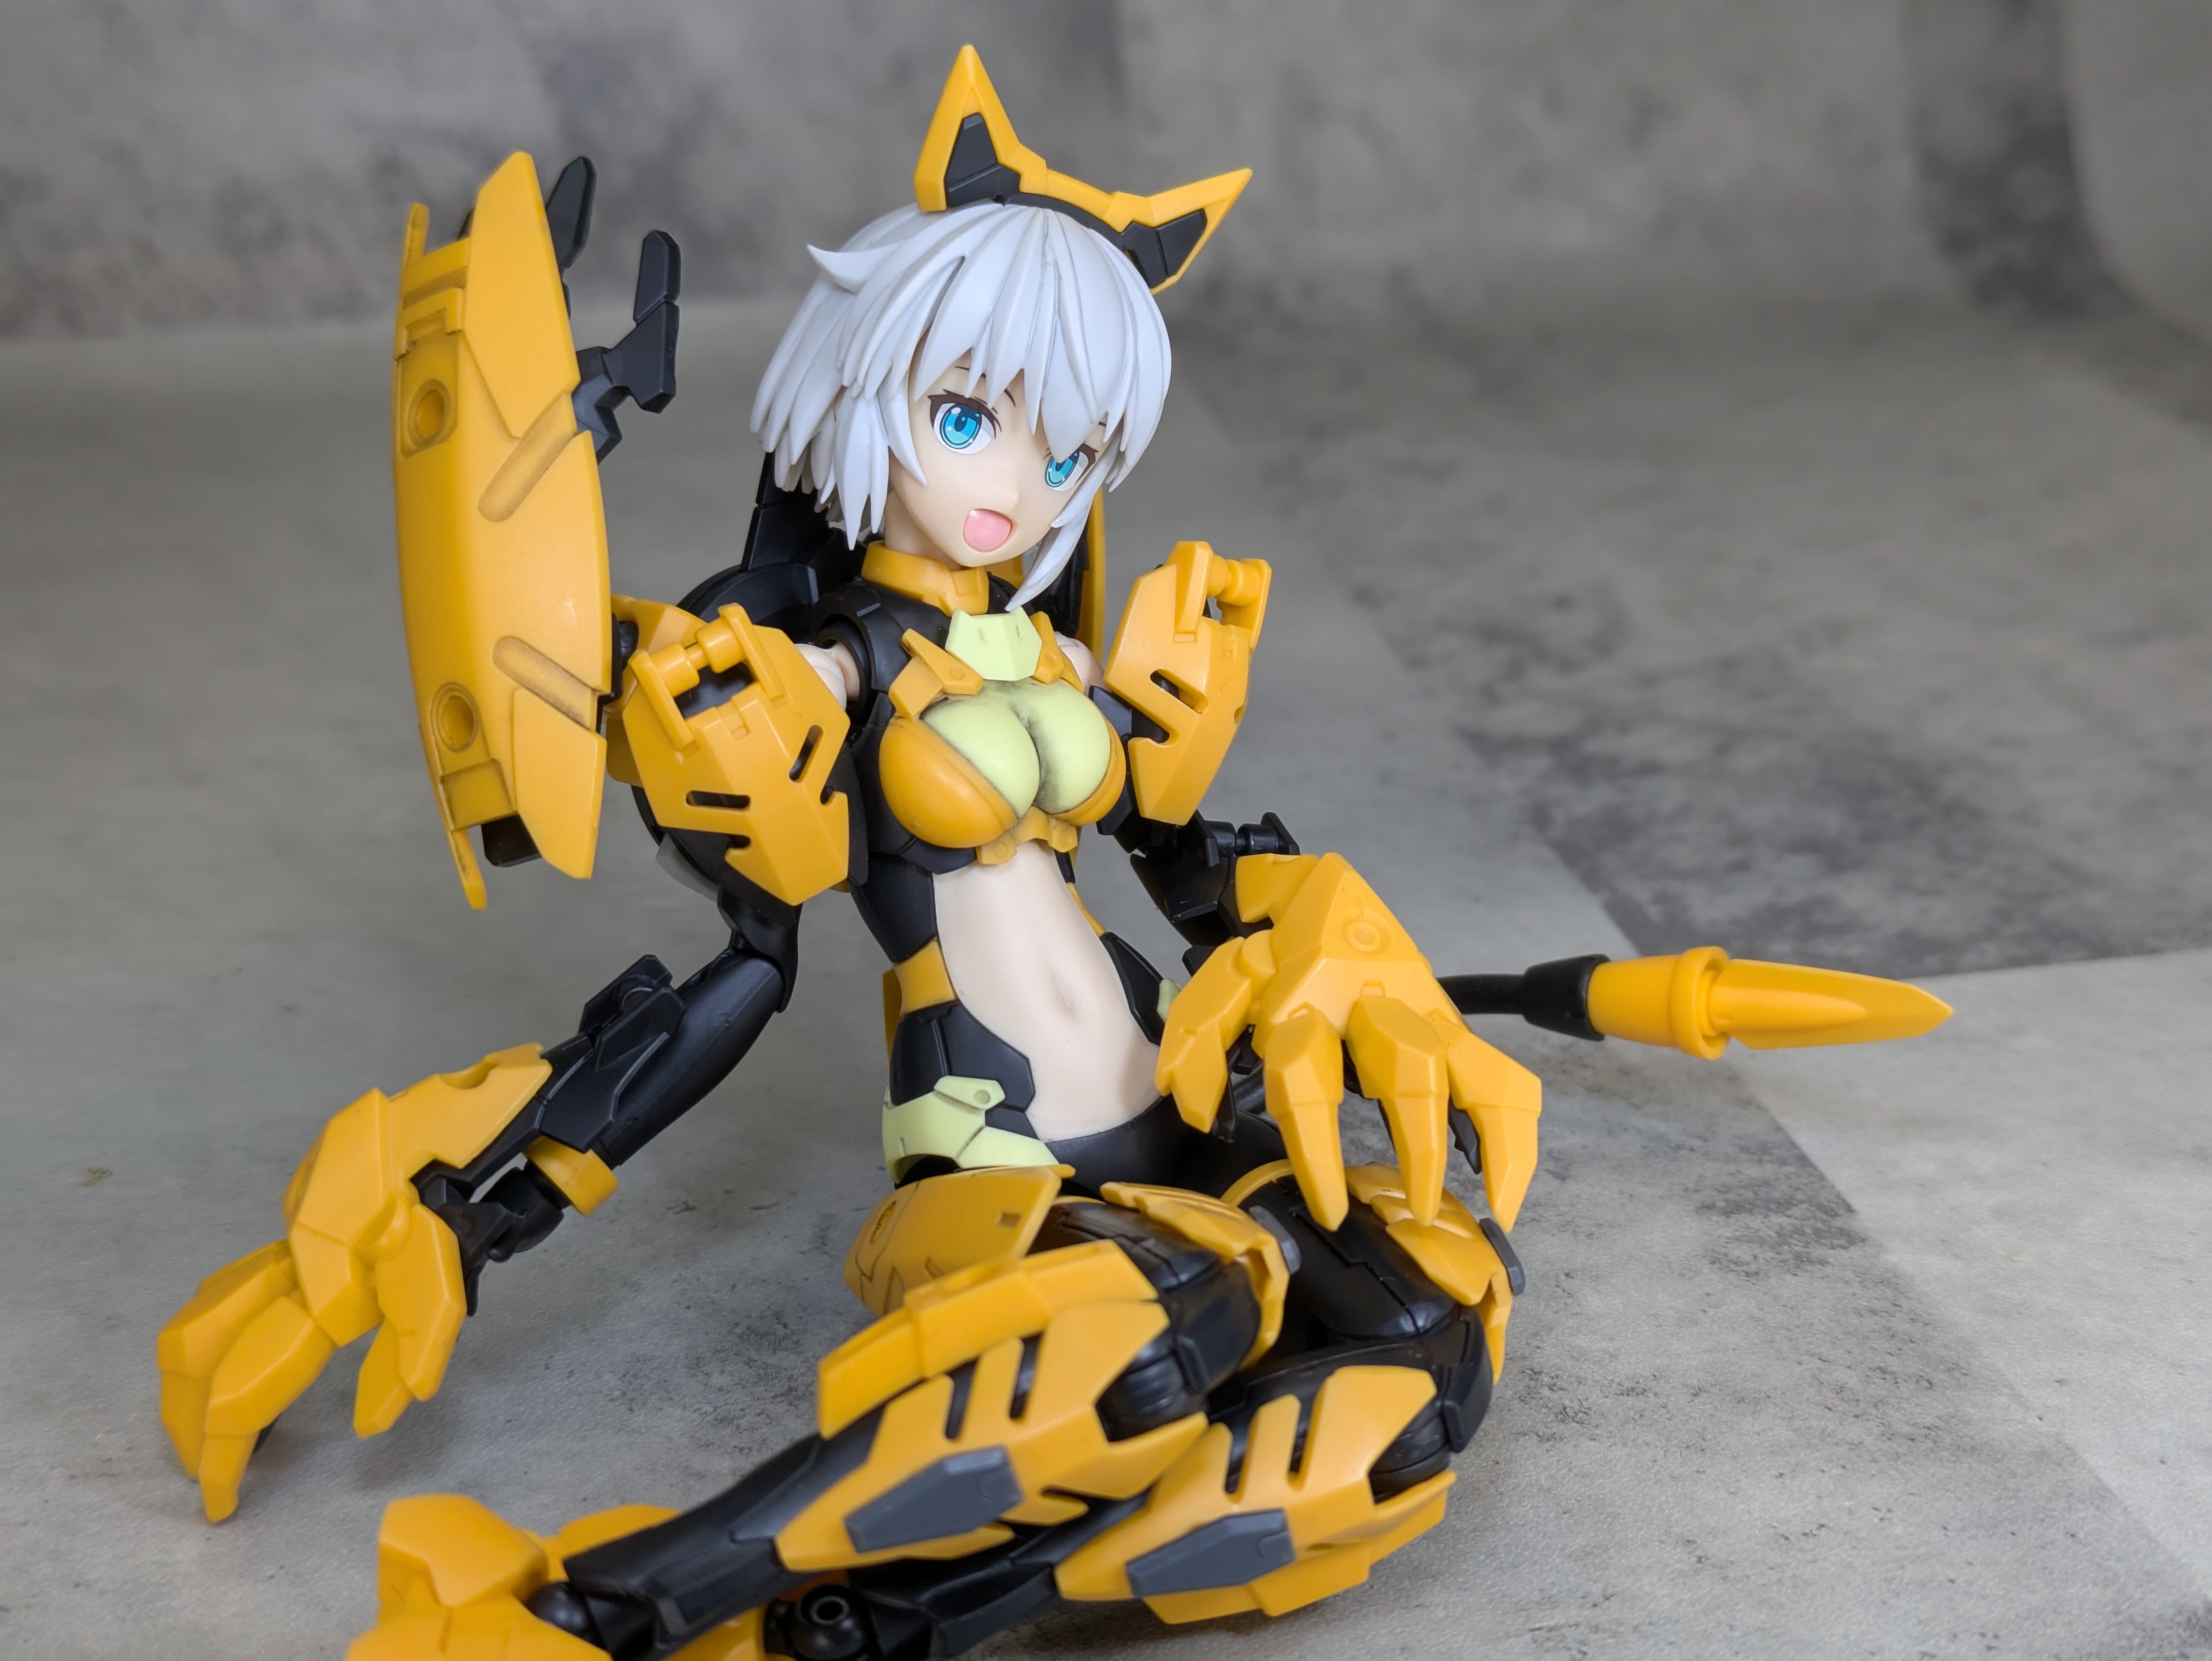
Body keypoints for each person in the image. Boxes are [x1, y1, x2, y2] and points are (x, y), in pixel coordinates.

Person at [157, 48, 1950, 1661]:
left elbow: (1208, 878)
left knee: (1424, 1334)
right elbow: (741, 976)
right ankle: (603, 1609)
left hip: (1180, 1129)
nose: (1015, 485)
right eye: (967, 419)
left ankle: (884, 1619)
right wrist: (465, 1203)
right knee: (1170, 1323)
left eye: (1070, 444)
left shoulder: (1074, 656)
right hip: (996, 1175)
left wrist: (1335, 940)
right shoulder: (821, 675)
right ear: (865, 390)